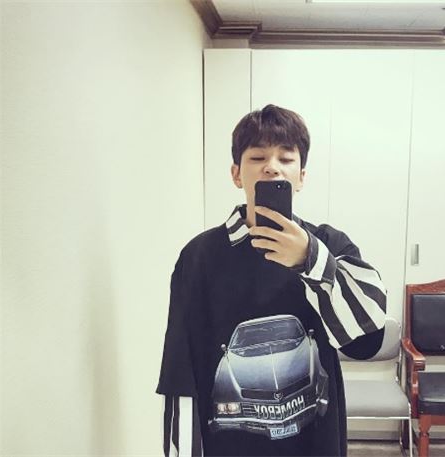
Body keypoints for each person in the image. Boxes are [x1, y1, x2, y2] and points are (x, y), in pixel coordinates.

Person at [157, 104, 387, 457]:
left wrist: (310, 259)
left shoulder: (330, 244)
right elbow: (179, 370)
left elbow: (367, 340)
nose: (272, 166)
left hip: (314, 445)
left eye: (286, 157)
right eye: (258, 157)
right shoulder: (200, 256)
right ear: (237, 174)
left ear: (301, 176)